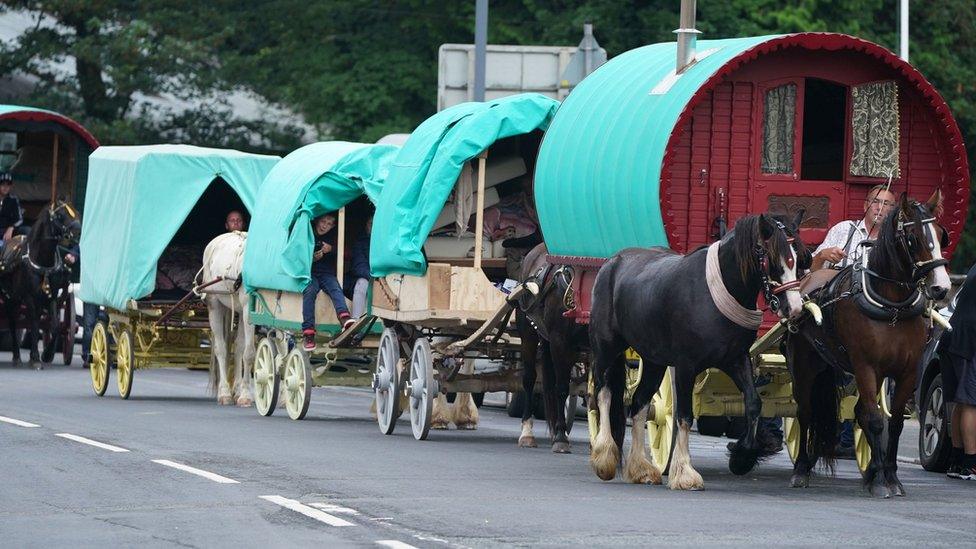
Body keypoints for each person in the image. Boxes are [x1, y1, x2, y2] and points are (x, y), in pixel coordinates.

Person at [942, 264, 976, 480]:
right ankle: (971, 463)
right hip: (970, 341)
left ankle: (956, 461)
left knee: (961, 402)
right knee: (971, 403)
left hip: (954, 335)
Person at [811, 185, 897, 271]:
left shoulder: (895, 239)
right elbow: (810, 270)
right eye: (875, 201)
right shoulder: (843, 228)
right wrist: (822, 256)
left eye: (885, 204)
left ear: (892, 211)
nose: (879, 207)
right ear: (865, 206)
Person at [302, 213, 354, 350]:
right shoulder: (305, 233)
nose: (325, 225)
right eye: (323, 221)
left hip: (326, 273)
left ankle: (344, 318)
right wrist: (311, 259)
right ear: (317, 220)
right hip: (309, 273)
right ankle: (308, 333)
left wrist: (331, 249)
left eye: (329, 223)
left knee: (335, 287)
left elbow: (348, 253)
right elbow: (296, 255)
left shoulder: (335, 236)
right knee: (309, 291)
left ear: (333, 226)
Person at [345, 214, 372, 319]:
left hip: (387, 279)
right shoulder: (360, 243)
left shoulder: (387, 243)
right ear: (366, 225)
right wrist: (375, 277)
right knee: (362, 283)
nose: (373, 227)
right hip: (367, 278)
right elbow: (359, 266)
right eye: (371, 224)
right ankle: (355, 322)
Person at [0, 172, 24, 248]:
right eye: (3, 184)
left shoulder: (13, 200)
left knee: (27, 230)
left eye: (8, 185)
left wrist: (11, 227)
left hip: (8, 234)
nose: (5, 187)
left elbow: (19, 219)